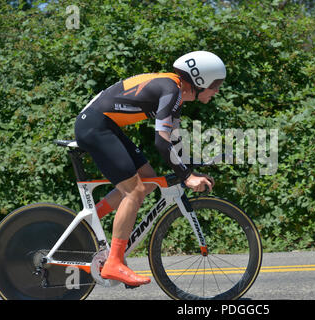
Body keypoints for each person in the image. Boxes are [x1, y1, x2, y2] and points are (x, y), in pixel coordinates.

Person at [74, 51, 226, 287]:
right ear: (200, 80)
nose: (217, 91)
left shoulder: (174, 92)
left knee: (147, 180)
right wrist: (186, 177)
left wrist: (191, 170)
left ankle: (84, 228)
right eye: (215, 85)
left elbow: (173, 142)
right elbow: (161, 141)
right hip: (96, 127)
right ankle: (114, 261)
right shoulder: (172, 89)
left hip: (103, 125)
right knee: (134, 191)